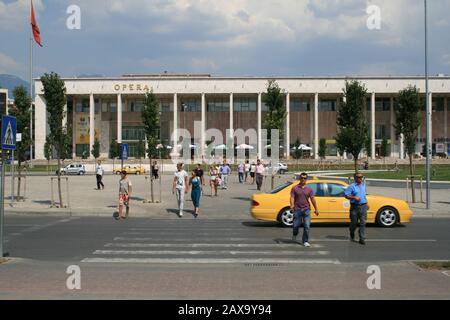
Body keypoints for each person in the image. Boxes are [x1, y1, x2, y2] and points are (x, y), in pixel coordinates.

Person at [290, 172, 319, 247]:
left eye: (305, 178)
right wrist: (292, 205)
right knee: (296, 225)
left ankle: (305, 241)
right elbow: (292, 197)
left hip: (306, 210)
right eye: (302, 178)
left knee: (307, 226)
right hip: (297, 209)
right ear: (299, 178)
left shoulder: (309, 189)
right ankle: (295, 234)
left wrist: (316, 209)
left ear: (306, 179)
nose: (303, 179)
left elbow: (312, 199)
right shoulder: (295, 188)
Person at [345, 173, 369, 245]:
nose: (360, 178)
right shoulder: (351, 186)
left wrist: (366, 202)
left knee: (363, 223)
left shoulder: (363, 185)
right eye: (358, 177)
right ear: (355, 178)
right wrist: (354, 197)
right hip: (354, 207)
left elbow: (363, 195)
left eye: (361, 177)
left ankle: (362, 238)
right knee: (354, 223)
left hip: (363, 206)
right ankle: (352, 231)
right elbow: (346, 195)